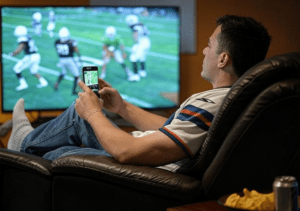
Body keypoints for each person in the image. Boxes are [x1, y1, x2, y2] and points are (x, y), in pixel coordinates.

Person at [7, 15, 271, 172]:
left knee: (74, 125)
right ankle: (24, 143)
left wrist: (93, 112)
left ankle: (21, 142)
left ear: (223, 59)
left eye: (209, 46)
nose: (203, 51)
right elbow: (173, 130)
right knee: (60, 139)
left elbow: (128, 153)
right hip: (155, 156)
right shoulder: (228, 98)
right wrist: (123, 108)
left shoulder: (210, 103)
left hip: (145, 162)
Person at [9, 25, 48, 91]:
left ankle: (23, 84)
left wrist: (13, 53)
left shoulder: (22, 39)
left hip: (30, 56)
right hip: (36, 55)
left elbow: (20, 47)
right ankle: (44, 82)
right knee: (33, 71)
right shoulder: (28, 37)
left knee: (16, 68)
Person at [54, 27, 81, 95]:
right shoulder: (71, 41)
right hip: (69, 59)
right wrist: (78, 54)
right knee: (77, 75)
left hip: (61, 59)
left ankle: (57, 84)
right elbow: (76, 50)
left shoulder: (57, 41)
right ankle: (74, 91)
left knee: (63, 72)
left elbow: (57, 49)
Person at [125, 14, 151, 82]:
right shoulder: (141, 24)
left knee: (133, 57)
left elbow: (135, 38)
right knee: (142, 57)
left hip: (141, 43)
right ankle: (142, 72)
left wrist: (136, 45)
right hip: (147, 42)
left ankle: (135, 76)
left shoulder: (135, 27)